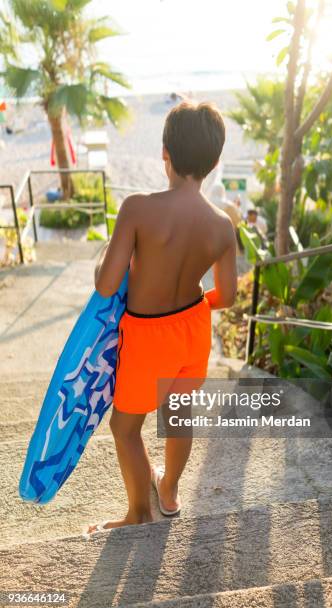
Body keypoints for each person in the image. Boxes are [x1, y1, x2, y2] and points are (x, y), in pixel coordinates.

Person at [87, 101, 237, 533]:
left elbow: (106, 285)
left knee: (125, 427)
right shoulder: (222, 225)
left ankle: (138, 513)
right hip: (192, 328)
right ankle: (168, 492)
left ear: (164, 153)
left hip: (148, 335)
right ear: (213, 161)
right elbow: (226, 296)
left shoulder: (137, 208)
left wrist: (106, 256)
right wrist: (191, 311)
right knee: (178, 413)